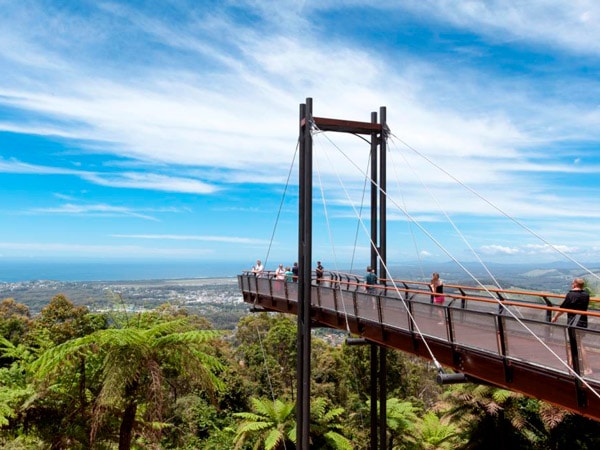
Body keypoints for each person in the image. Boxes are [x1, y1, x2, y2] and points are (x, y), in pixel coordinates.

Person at [552, 278, 591, 375]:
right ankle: (570, 364)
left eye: (572, 283)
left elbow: (563, 308)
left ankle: (587, 368)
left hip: (574, 322)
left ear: (575, 284)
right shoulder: (586, 295)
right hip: (583, 321)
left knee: (579, 344)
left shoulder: (571, 295)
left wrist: (555, 316)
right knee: (572, 343)